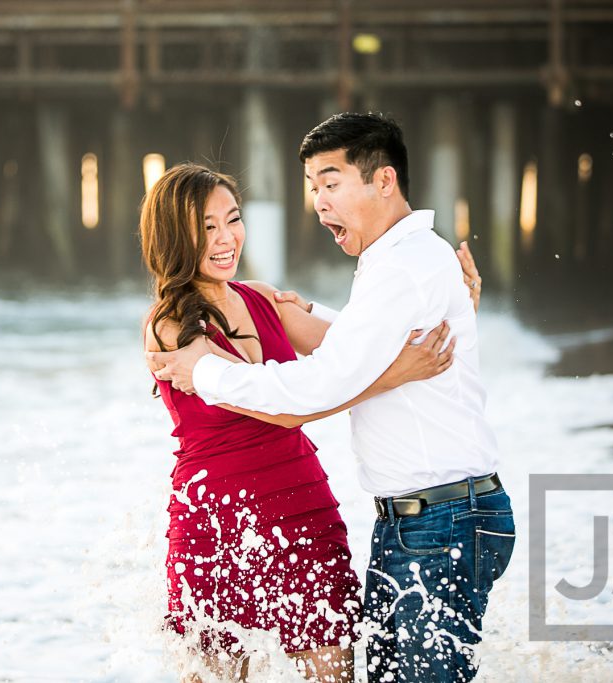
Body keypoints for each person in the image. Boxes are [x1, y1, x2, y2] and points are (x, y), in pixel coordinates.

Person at [149, 113, 514, 683]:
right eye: (207, 226)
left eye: (232, 220)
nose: (226, 238)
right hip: (226, 518)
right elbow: (350, 354)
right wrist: (410, 353)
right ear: (176, 234)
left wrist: (446, 311)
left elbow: (330, 375)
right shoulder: (175, 322)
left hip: (339, 510)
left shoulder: (375, 273)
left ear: (382, 181)